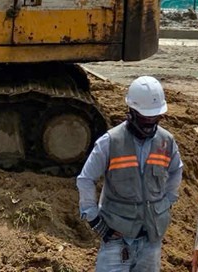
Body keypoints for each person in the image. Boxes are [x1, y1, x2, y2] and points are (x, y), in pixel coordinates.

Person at [77, 76, 184, 272]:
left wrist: (167, 202)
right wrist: (94, 219)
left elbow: (176, 170)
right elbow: (86, 179)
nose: (150, 123)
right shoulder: (111, 142)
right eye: (145, 118)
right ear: (132, 112)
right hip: (117, 239)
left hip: (151, 239)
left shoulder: (166, 142)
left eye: (155, 118)